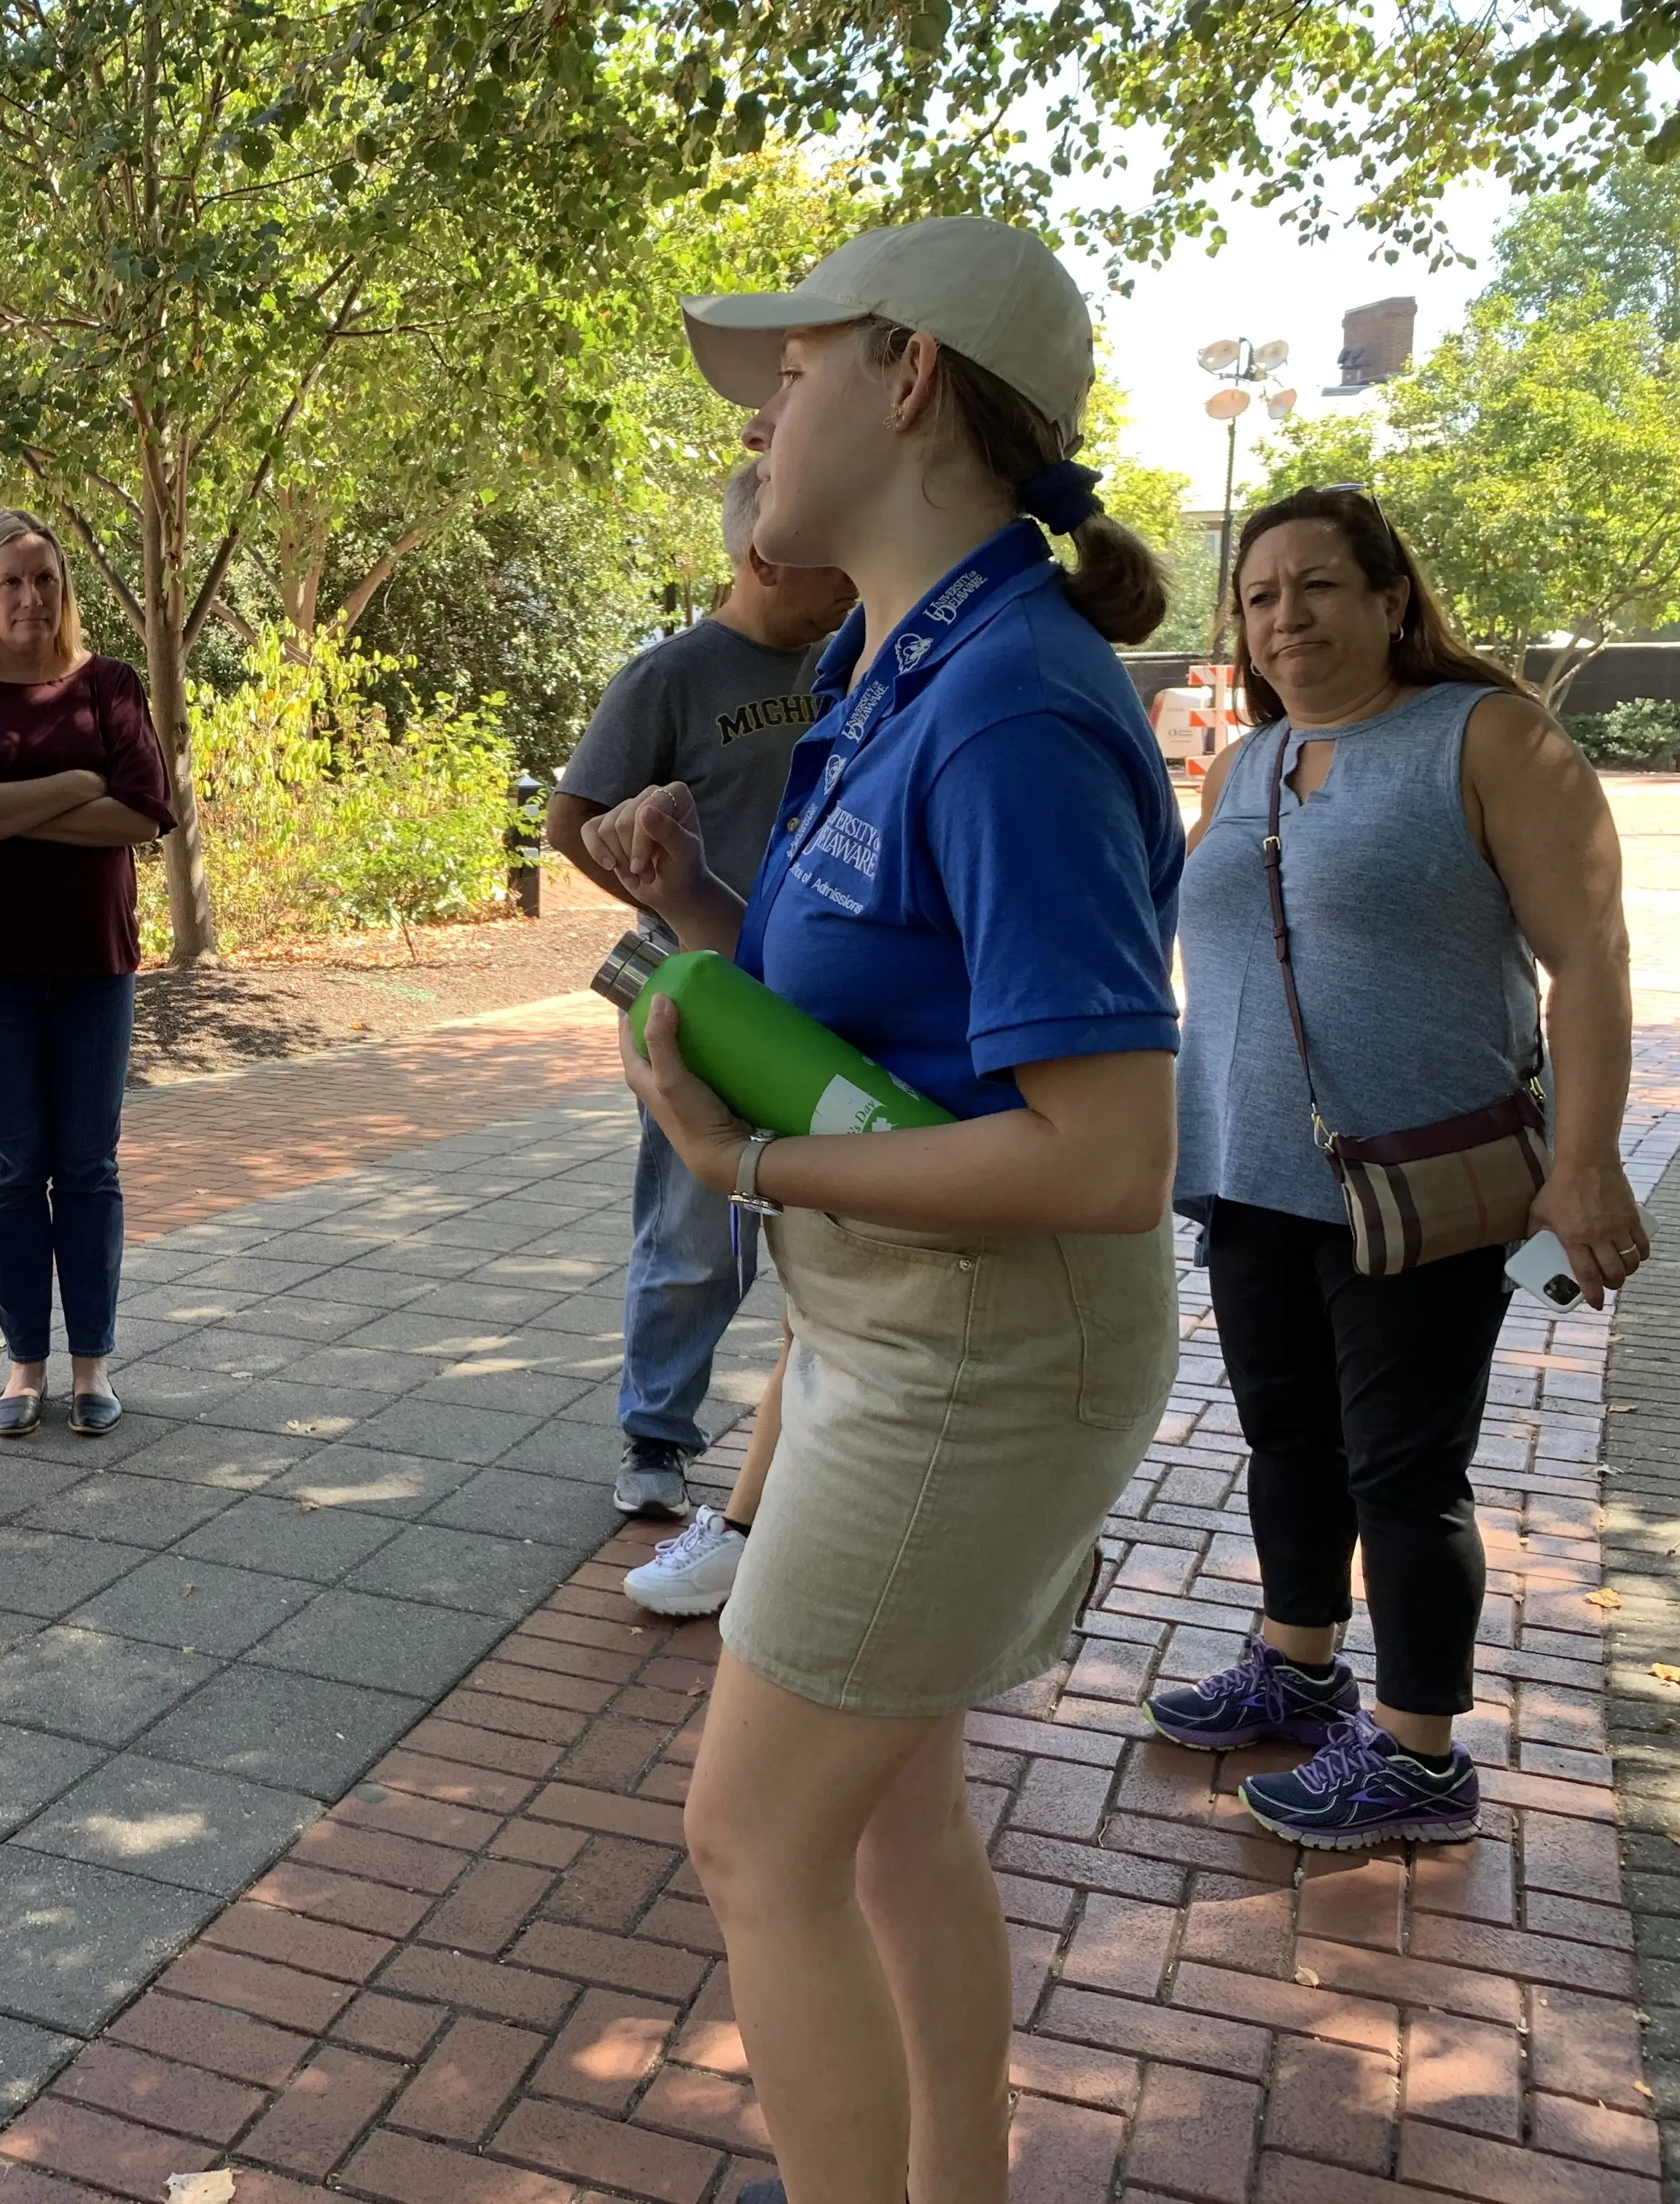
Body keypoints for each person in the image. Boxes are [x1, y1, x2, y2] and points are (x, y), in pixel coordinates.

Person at [594, 217, 1184, 2204]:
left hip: (978, 1353)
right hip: (897, 1329)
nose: (763, 416)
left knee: (753, 1840)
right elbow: (909, 1021)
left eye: (793, 368)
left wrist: (747, 1167)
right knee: (893, 1819)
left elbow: (1104, 1151)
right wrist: (698, 923)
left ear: (910, 374)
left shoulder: (1014, 699)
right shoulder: (890, 657)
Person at [1145, 485, 1644, 1848]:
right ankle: (1297, 1666)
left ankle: (1422, 1755)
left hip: (1418, 1180)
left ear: (1387, 598)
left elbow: (1588, 961)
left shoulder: (1483, 736)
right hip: (1252, 1171)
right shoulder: (1248, 762)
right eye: (1257, 596)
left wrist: (1583, 1161)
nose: (1284, 616)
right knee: (1285, 1436)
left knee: (1405, 1470)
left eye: (1314, 585)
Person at [550, 462, 852, 1544]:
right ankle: (656, 1438)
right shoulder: (670, 676)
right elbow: (568, 820)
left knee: (844, 1220)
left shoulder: (855, 663)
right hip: (704, 999)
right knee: (696, 1228)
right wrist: (664, 912)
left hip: (824, 993)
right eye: (830, 551)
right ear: (764, 555)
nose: (852, 574)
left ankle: (823, 1440)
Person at [0, 512, 176, 1435]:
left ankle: (91, 1365)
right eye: (10, 581)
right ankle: (25, 1367)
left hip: (96, 961)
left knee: (88, 1167)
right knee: (13, 1169)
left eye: (45, 579)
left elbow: (143, 814)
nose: (30, 597)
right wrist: (77, 785)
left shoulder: (112, 684)